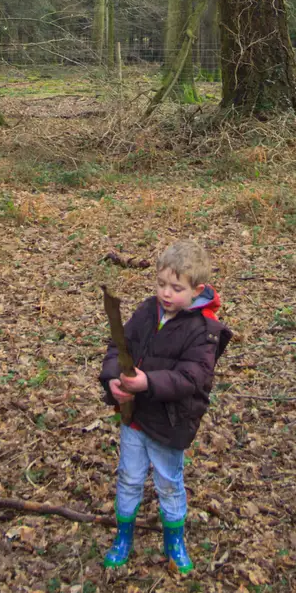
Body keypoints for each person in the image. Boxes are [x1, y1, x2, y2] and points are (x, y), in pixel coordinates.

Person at [100, 239, 231, 573]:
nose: (166, 293)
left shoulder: (204, 330)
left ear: (197, 289)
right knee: (128, 478)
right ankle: (123, 535)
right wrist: (113, 379)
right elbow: (120, 346)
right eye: (161, 284)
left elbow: (193, 377)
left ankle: (174, 540)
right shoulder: (147, 311)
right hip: (134, 419)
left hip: (170, 423)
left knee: (169, 483)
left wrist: (148, 383)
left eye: (176, 287)